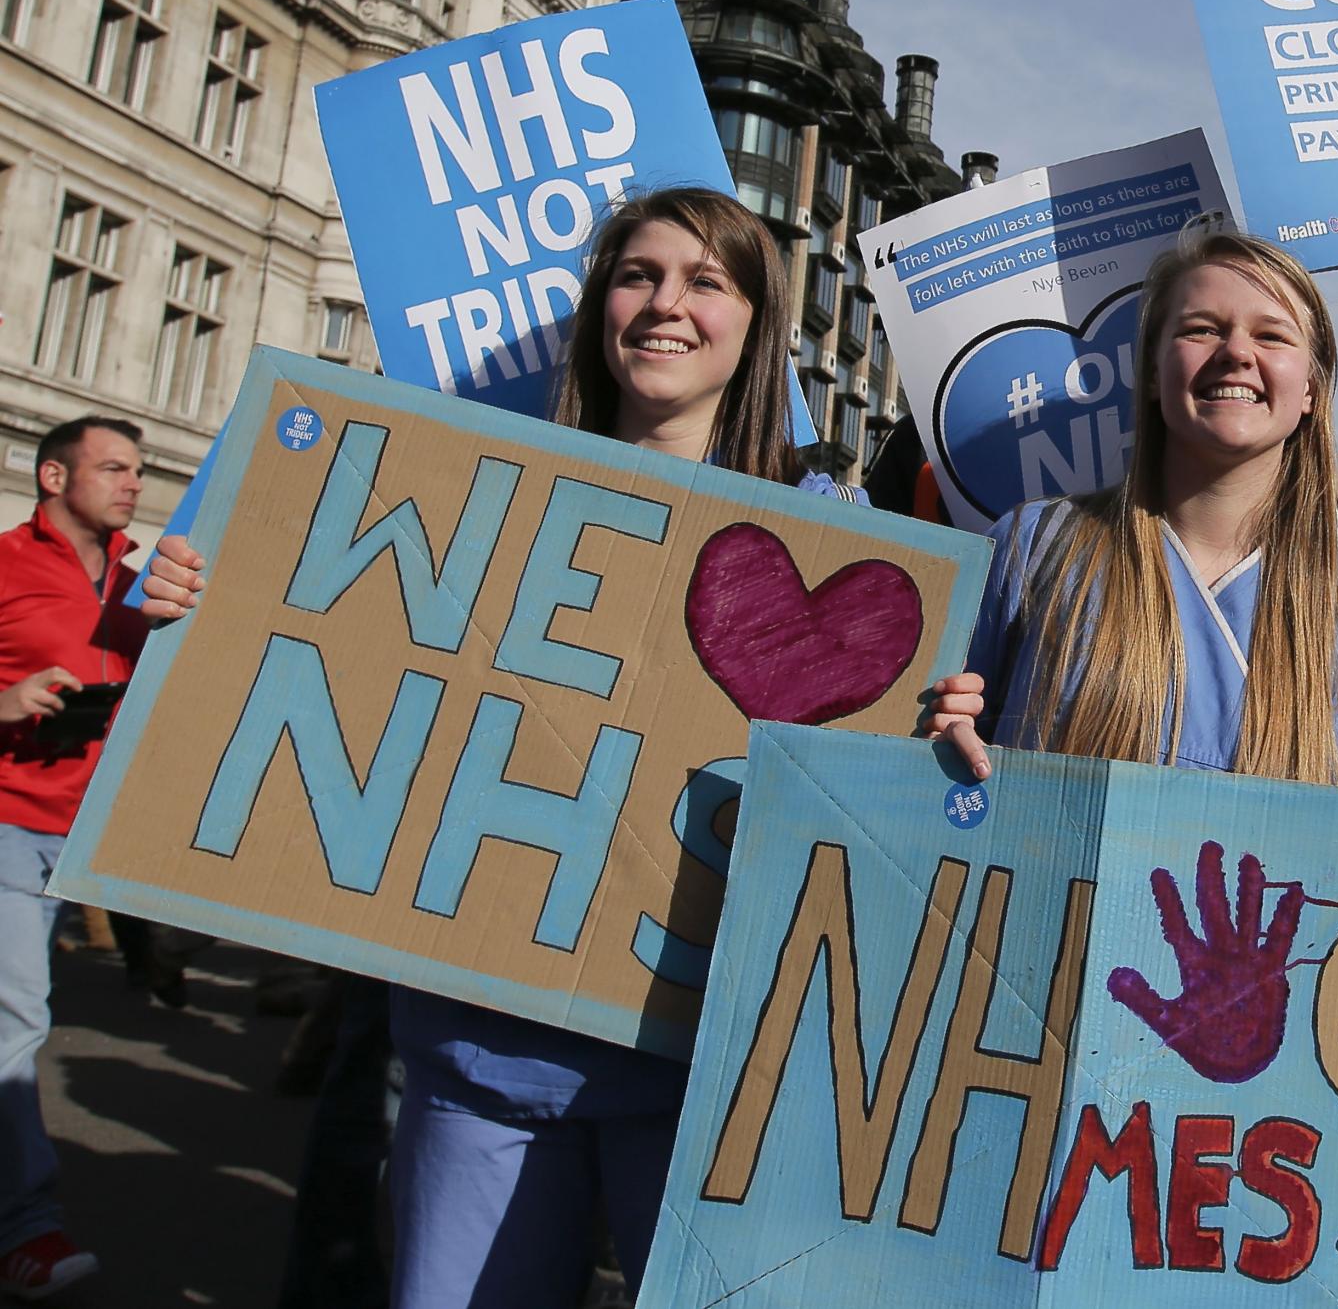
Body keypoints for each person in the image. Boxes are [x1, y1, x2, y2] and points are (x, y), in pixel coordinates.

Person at [146, 187, 850, 1309]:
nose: (666, 305)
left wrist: (943, 714)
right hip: (480, 1058)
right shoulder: (480, 484)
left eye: (706, 282)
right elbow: (341, 654)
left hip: (705, 1077)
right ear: (597, 309)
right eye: (637, 276)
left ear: (759, 328)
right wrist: (202, 599)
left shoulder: (828, 534)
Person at [924, 227, 1338, 1055]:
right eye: (1201, 329)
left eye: (1271, 335)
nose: (1235, 353)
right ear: (1154, 374)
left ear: (1310, 391)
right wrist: (939, 741)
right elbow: (928, 785)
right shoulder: (1035, 546)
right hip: (1018, 1002)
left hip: (1226, 1072)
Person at [0, 416, 147, 1298]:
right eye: (114, 467)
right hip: (11, 817)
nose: (132, 482)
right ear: (55, 475)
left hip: (100, 834)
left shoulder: (143, 582)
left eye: (136, 470)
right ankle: (28, 1231)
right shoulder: (6, 566)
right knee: (18, 1018)